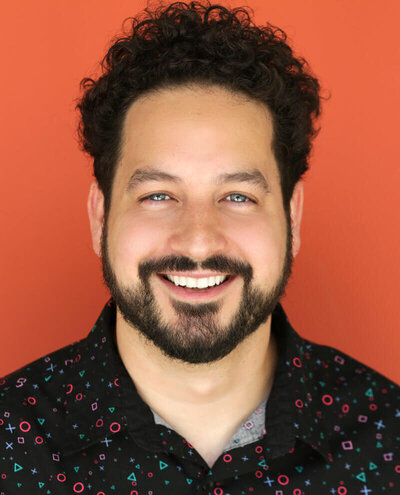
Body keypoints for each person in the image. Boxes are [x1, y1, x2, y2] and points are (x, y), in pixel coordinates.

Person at [1, 1, 399, 493]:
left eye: (237, 196)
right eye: (158, 196)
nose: (197, 239)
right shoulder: (10, 440)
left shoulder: (388, 435)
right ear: (100, 215)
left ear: (291, 217)